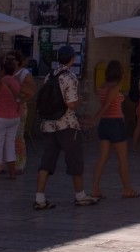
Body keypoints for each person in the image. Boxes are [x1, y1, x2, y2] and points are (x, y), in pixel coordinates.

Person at [34, 45, 99, 210]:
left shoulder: (50, 75)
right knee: (75, 159)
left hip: (49, 124)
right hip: (66, 124)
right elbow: (70, 104)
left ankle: (39, 198)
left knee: (47, 161)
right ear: (72, 59)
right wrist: (80, 100)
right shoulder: (70, 77)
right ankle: (80, 195)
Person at [89, 60, 139, 200]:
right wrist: (93, 119)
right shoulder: (115, 87)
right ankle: (127, 189)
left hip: (104, 124)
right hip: (115, 123)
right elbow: (107, 105)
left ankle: (95, 188)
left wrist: (96, 119)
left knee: (103, 157)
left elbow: (104, 105)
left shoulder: (102, 86)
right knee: (122, 159)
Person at [9, 51, 35, 174]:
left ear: (18, 60)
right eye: (7, 59)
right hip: (7, 106)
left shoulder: (24, 73)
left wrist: (21, 100)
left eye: (12, 59)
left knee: (18, 136)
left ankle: (19, 164)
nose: (9, 61)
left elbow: (33, 90)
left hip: (19, 106)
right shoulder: (6, 72)